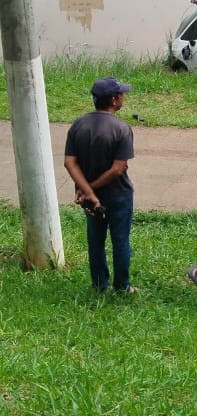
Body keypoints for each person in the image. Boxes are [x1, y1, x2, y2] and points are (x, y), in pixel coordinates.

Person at [64, 77, 136, 294]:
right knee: (120, 241)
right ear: (114, 99)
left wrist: (87, 190)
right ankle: (122, 287)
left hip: (89, 198)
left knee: (95, 241)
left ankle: (99, 284)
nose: (123, 96)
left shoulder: (78, 125)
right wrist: (91, 189)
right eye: (121, 94)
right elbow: (118, 169)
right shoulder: (122, 129)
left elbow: (69, 162)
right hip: (119, 195)